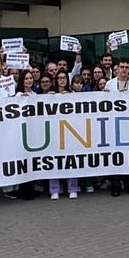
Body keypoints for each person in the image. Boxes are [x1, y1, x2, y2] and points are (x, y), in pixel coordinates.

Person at [105, 59, 129, 196]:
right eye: (122, 67)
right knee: (115, 156)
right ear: (117, 68)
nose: (124, 70)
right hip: (113, 124)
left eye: (127, 67)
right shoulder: (110, 84)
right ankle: (115, 186)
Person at [48, 71, 79, 200]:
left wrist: (71, 97)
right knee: (54, 161)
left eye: (64, 78)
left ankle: (72, 188)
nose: (61, 80)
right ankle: (54, 190)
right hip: (54, 132)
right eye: (59, 78)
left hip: (70, 133)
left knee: (71, 161)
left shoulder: (72, 95)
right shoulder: (49, 95)